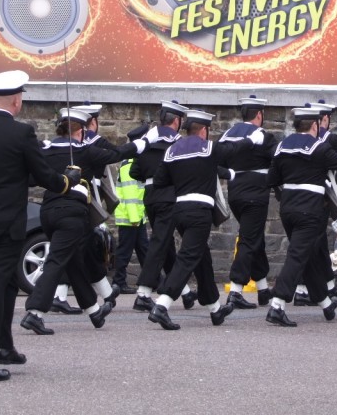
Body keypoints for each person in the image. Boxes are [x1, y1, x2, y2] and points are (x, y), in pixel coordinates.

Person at [0, 70, 82, 382]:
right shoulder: (21, 134)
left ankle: (4, 346)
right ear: (16, 100)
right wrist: (68, 180)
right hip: (7, 225)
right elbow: (44, 176)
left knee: (5, 285)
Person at [20, 108, 143, 335]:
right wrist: (143, 143)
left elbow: (29, 178)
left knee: (74, 260)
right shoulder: (87, 151)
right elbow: (117, 153)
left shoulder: (45, 149)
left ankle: (94, 311)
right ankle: (35, 313)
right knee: (56, 261)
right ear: (82, 131)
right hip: (72, 213)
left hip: (48, 211)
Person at [147, 109, 261, 331]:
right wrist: (251, 140)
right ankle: (162, 305)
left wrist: (185, 178)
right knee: (188, 257)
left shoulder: (172, 150)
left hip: (179, 209)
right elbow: (231, 149)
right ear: (204, 130)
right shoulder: (208, 148)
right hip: (199, 212)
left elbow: (160, 181)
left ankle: (215, 309)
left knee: (202, 259)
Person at [265, 106, 337, 327]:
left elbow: (271, 180)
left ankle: (325, 303)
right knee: (297, 256)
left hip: (288, 208)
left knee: (311, 257)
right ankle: (277, 305)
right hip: (310, 211)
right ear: (315, 125)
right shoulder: (319, 147)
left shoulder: (281, 147)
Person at [131, 101, 197, 312]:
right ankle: (143, 292)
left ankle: (185, 293)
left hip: (151, 197)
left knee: (165, 245)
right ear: (177, 121)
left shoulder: (147, 140)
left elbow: (134, 172)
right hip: (170, 196)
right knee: (159, 243)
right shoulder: (178, 142)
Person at [219, 95, 279, 309]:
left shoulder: (227, 135)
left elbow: (218, 158)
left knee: (254, 239)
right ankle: (235, 289)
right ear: (259, 114)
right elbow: (278, 160)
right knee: (248, 239)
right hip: (256, 193)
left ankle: (263, 290)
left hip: (235, 192)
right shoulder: (263, 136)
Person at [112, 146, 148, 295]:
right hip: (130, 218)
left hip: (137, 217)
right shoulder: (129, 166)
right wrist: (134, 218)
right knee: (125, 252)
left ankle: (153, 280)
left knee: (144, 250)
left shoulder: (133, 163)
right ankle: (118, 282)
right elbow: (130, 194)